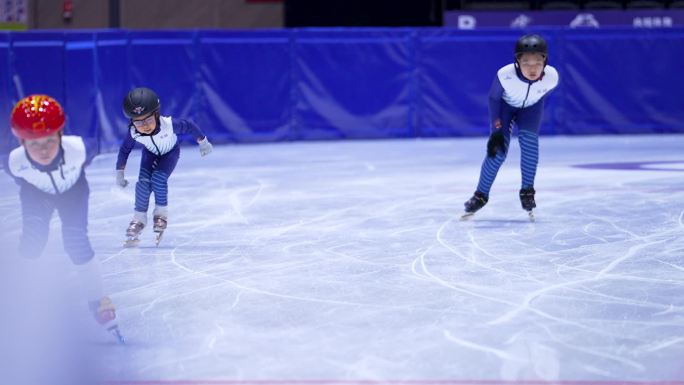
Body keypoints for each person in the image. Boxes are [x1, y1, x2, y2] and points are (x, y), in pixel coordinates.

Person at [4, 94, 124, 343]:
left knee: (76, 241)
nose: (44, 149)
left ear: (60, 135)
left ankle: (98, 300)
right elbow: (21, 181)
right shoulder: (14, 163)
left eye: (49, 140)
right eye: (34, 144)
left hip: (73, 192)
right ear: (21, 142)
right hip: (36, 194)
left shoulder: (79, 149)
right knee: (32, 242)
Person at [461, 34, 559, 221]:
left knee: (530, 142)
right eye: (527, 63)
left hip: (531, 108)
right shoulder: (505, 75)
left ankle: (527, 192)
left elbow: (541, 94)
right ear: (517, 62)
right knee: (497, 151)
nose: (532, 68)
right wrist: (497, 129)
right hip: (504, 108)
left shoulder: (552, 77)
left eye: (538, 62)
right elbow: (493, 99)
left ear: (545, 62)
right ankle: (480, 195)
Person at [116, 87, 213, 246]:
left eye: (147, 119)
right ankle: (138, 219)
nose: (144, 125)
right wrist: (120, 173)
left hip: (170, 153)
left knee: (159, 179)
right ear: (132, 121)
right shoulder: (133, 131)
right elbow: (124, 150)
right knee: (143, 184)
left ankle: (160, 215)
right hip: (150, 154)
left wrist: (203, 142)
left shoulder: (169, 125)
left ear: (156, 114)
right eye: (138, 121)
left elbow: (189, 126)